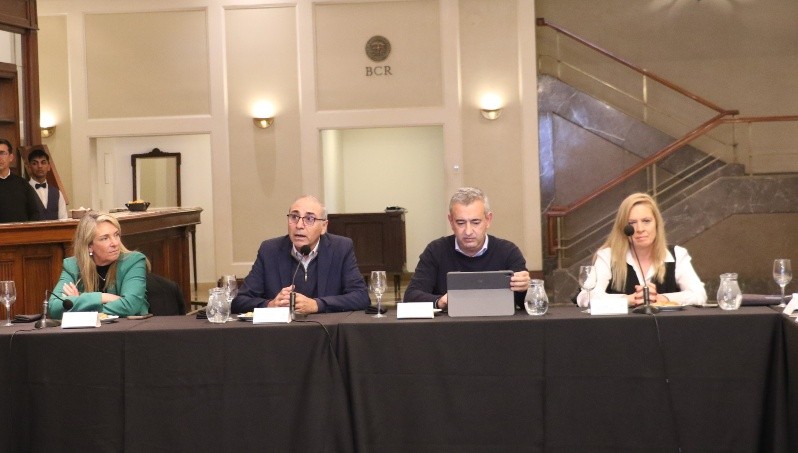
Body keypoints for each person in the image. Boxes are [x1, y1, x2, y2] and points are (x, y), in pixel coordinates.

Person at [231, 195, 370, 314]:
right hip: (281, 333)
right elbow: (240, 301)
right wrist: (270, 305)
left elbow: (361, 297)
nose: (299, 225)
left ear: (323, 226)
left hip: (326, 332)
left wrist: (317, 305)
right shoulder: (270, 251)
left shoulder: (340, 248)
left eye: (309, 219)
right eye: (294, 217)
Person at [404, 187, 531, 309]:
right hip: (449, 323)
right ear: (451, 221)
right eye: (460, 223)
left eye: (475, 222)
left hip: (497, 322)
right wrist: (440, 301)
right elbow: (410, 297)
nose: (468, 231)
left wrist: (524, 289)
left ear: (488, 220)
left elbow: (527, 304)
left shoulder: (508, 252)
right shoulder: (436, 251)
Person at [576, 192, 707, 308]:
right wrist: (627, 299)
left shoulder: (677, 254)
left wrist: (663, 298)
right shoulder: (608, 256)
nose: (640, 229)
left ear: (657, 223)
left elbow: (699, 295)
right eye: (632, 223)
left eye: (646, 221)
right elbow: (586, 297)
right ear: (623, 228)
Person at [49, 212, 149, 319]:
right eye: (105, 238)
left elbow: (130, 306)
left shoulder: (133, 261)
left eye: (116, 235)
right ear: (89, 246)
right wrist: (103, 297)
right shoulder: (73, 266)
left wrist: (79, 302)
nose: (115, 243)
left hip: (130, 327)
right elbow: (54, 307)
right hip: (89, 329)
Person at [0, 138, 42, 223]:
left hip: (20, 231)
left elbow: (34, 213)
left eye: (2, 153)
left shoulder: (23, 184)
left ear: (11, 157)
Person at [27, 148, 68, 220]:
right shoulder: (23, 191)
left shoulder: (57, 193)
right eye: (35, 163)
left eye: (43, 162)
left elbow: (63, 219)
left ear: (49, 167)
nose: (40, 166)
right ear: (29, 168)